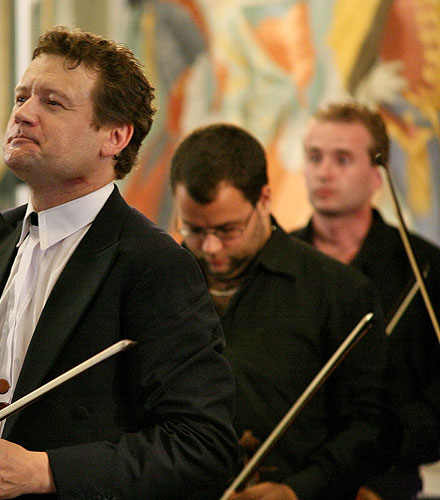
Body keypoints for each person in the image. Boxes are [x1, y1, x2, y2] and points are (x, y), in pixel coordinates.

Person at [0, 26, 239, 500]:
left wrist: (46, 472)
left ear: (114, 137)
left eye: (52, 103)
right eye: (22, 97)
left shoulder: (154, 263)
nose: (23, 113)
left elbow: (203, 447)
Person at [170, 123, 396, 500]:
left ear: (264, 199)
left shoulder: (338, 291)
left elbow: (374, 426)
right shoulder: (158, 283)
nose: (210, 247)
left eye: (227, 230)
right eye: (193, 229)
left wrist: (299, 489)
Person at [293, 101, 440, 499]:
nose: (323, 172)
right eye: (314, 157)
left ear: (378, 177)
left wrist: (378, 454)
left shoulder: (425, 268)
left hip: (384, 482)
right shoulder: (279, 261)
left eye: (342, 159)